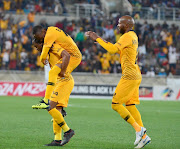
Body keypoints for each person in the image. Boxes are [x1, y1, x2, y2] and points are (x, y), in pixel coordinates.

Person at [86, 15, 151, 148]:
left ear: (126, 25)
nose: (117, 26)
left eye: (119, 24)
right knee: (130, 105)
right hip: (136, 74)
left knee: (115, 104)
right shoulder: (133, 36)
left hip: (130, 75)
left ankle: (139, 130)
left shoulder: (127, 36)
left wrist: (97, 38)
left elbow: (113, 49)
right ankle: (143, 136)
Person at [32, 25, 82, 146]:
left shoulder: (53, 46)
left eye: (36, 46)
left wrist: (63, 72)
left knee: (50, 107)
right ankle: (57, 139)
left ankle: (68, 131)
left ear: (42, 43)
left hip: (65, 81)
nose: (35, 48)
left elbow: (67, 55)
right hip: (61, 82)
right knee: (55, 110)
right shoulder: (49, 51)